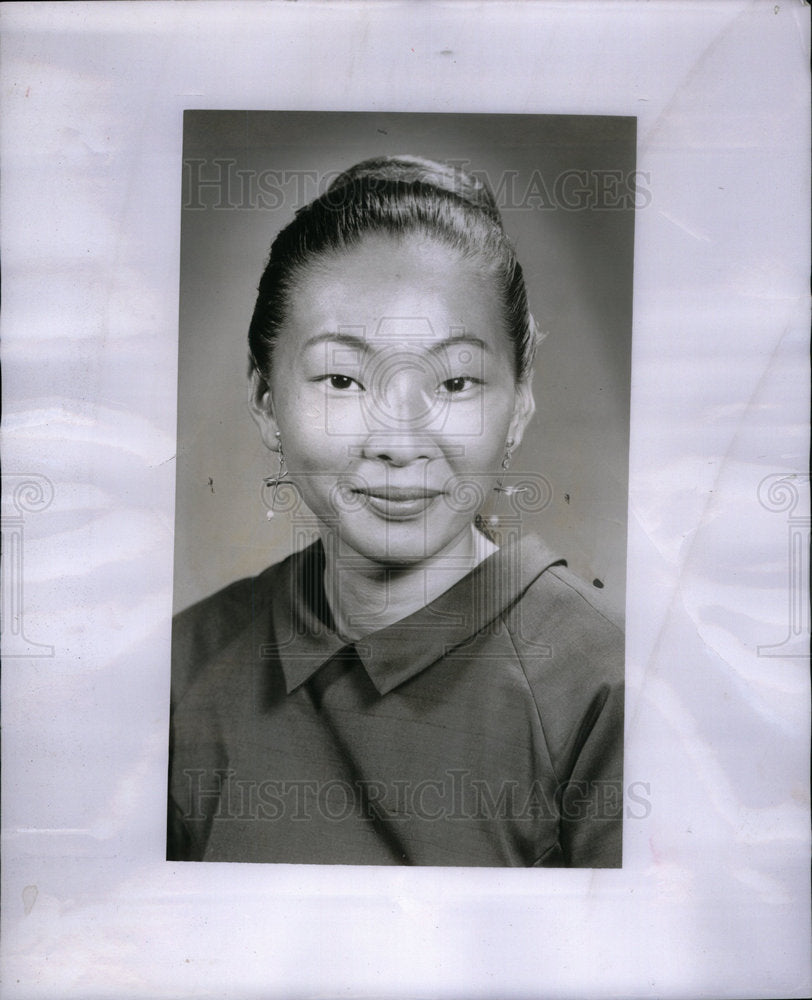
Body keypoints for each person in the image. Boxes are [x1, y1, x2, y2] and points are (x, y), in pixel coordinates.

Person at [167, 155, 624, 867]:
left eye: (455, 381)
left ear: (521, 399)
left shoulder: (607, 683)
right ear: (264, 400)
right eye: (343, 379)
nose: (400, 440)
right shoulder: (183, 668)